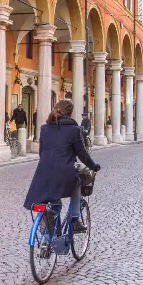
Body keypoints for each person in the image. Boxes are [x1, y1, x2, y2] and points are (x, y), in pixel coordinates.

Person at [23, 100, 100, 233]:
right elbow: (82, 155)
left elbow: (42, 152)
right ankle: (75, 220)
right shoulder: (74, 130)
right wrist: (94, 166)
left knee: (51, 198)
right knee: (77, 184)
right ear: (70, 113)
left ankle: (46, 237)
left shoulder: (44, 128)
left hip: (43, 172)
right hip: (65, 172)